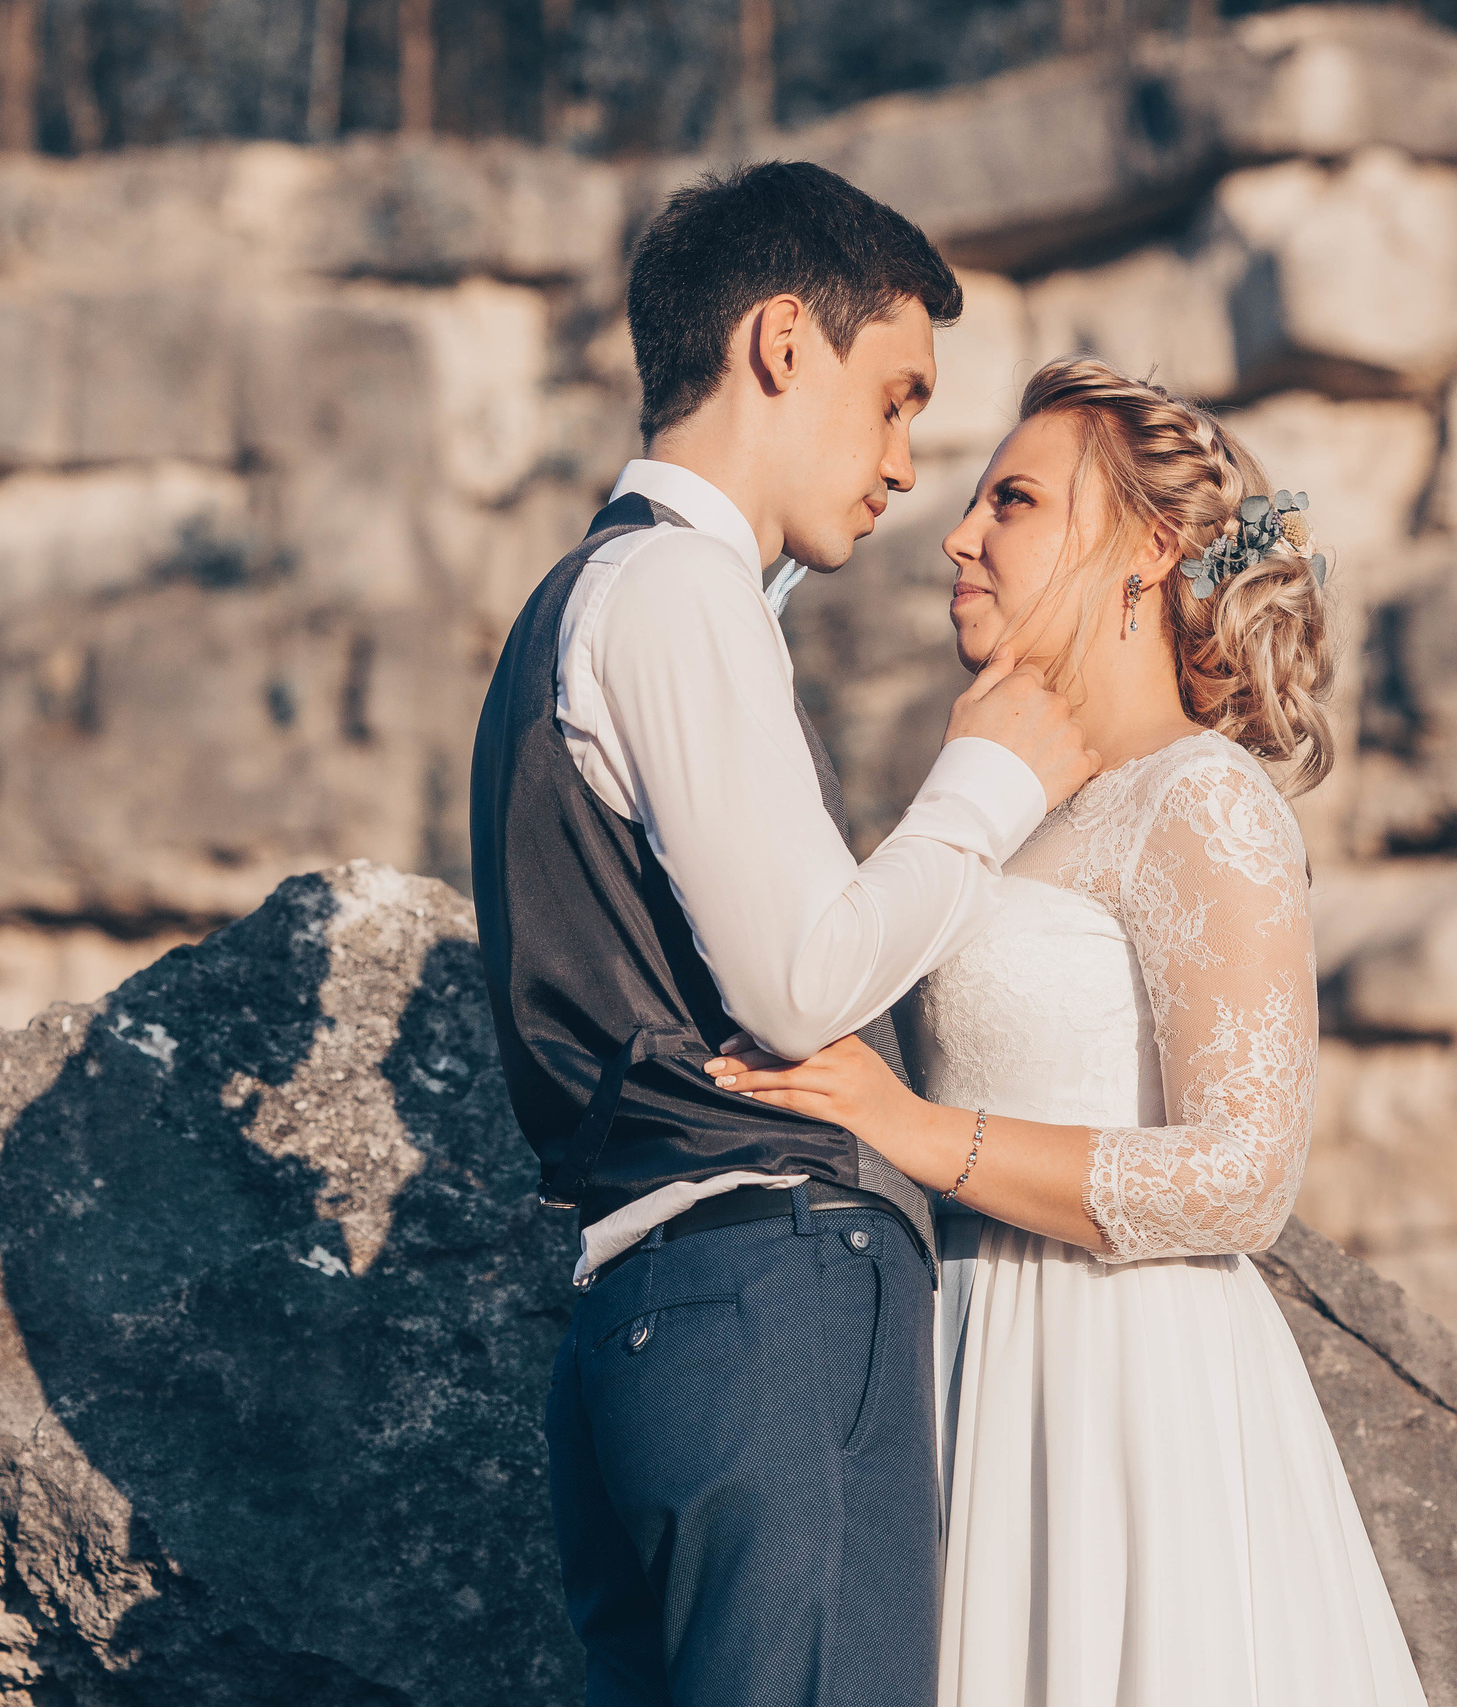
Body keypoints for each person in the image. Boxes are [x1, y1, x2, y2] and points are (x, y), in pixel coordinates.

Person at [708, 357, 1428, 1705]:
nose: (960, 536)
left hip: (1125, 1388)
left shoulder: (1201, 800)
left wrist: (911, 1130)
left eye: (1015, 503)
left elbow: (1246, 1174)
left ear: (1147, 553)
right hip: (969, 1360)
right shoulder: (1009, 806)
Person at [467, 162, 1095, 1707]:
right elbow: (799, 979)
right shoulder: (678, 590)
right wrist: (991, 779)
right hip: (771, 1296)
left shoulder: (578, 601)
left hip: (648, 1316)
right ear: (777, 345)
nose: (905, 464)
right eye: (894, 398)